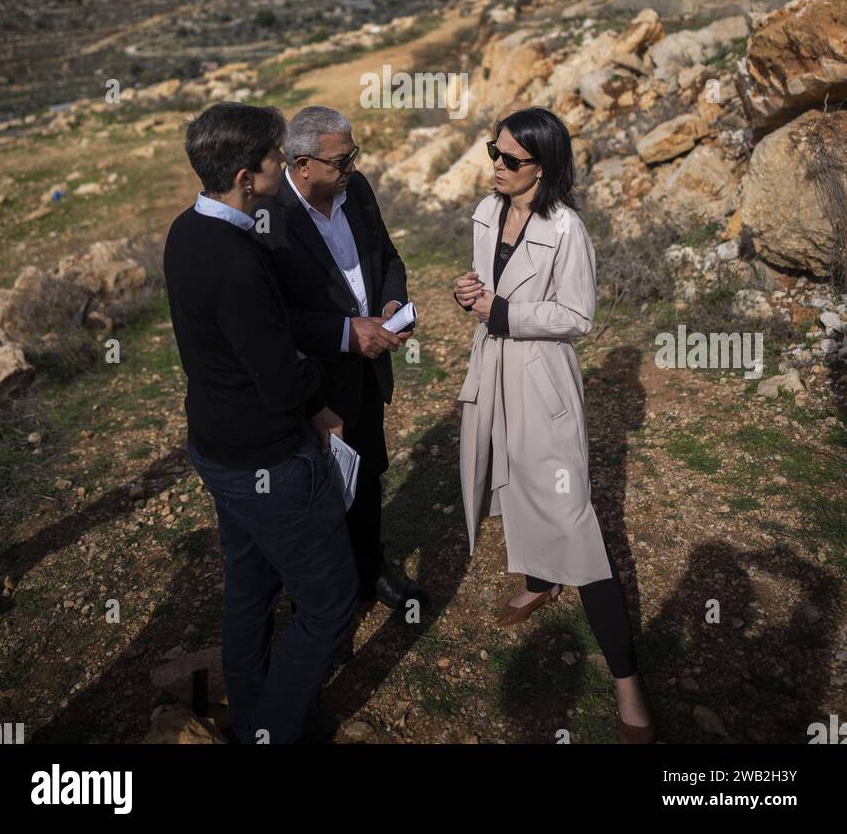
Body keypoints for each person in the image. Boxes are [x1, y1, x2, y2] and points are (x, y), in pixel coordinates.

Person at [452, 106, 656, 744]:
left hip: (541, 382)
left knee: (576, 523)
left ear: (544, 166)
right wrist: (473, 296)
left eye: (511, 160)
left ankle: (628, 687)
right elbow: (490, 289)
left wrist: (503, 310)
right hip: (494, 372)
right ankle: (539, 579)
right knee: (508, 480)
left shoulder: (568, 229)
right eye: (494, 151)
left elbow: (576, 316)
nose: (497, 167)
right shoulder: (487, 213)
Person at [163, 101, 359, 744]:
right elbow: (279, 380)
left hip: (215, 447)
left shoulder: (185, 231)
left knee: (249, 586)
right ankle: (272, 731)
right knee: (329, 604)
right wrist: (316, 390)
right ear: (248, 176)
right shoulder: (237, 259)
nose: (284, 162)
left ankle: (251, 715)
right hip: (265, 458)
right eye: (276, 156)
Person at [252, 105, 428, 612]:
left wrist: (392, 303)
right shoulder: (269, 216)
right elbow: (272, 316)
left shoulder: (358, 190)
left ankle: (371, 570)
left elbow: (388, 258)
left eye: (353, 154)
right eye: (341, 159)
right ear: (302, 164)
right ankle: (321, 597)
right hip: (311, 380)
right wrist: (347, 333)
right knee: (312, 491)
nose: (352, 165)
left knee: (367, 471)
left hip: (368, 368)